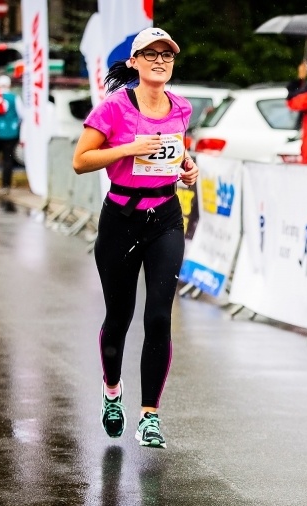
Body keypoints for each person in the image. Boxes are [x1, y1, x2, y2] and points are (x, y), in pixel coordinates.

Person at [72, 28, 199, 449]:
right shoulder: (114, 107)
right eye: (151, 54)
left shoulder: (182, 107)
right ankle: (112, 391)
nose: (160, 61)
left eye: (167, 55)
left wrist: (187, 167)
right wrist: (129, 149)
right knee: (119, 317)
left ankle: (150, 416)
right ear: (134, 62)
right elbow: (80, 161)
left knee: (159, 317)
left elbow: (175, 152)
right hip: (121, 220)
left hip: (165, 217)